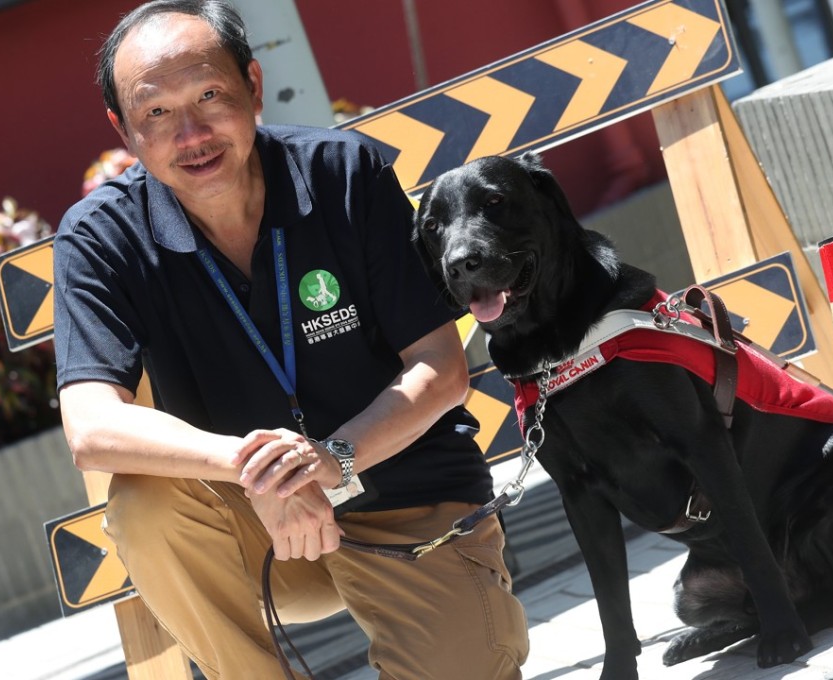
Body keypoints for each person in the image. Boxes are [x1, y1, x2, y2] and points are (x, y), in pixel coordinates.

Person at [53, 1, 529, 678]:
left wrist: (329, 461)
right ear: (123, 128)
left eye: (210, 95)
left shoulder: (344, 173)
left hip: (400, 495)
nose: (190, 133)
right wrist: (258, 468)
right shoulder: (100, 237)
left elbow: (440, 366)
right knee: (143, 506)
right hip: (256, 530)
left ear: (252, 83)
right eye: (156, 112)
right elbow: (91, 428)